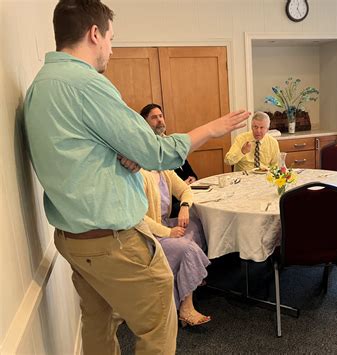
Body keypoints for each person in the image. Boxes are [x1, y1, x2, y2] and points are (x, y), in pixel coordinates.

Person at [23, 1, 249, 354]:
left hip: (73, 238)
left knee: (98, 323)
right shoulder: (86, 85)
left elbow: (75, 153)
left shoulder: (42, 84)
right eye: (111, 38)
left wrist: (118, 154)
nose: (111, 49)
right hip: (111, 241)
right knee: (157, 327)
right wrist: (213, 127)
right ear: (94, 34)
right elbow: (158, 153)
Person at [140, 168, 211, 327]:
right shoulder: (139, 174)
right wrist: (168, 232)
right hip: (148, 234)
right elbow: (139, 217)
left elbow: (185, 190)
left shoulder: (165, 171)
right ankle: (186, 307)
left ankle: (188, 278)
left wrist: (184, 206)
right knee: (187, 248)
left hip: (165, 225)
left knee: (197, 226)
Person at [140, 103, 198, 217]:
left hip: (185, 193)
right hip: (168, 204)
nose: (160, 120)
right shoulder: (145, 152)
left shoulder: (172, 144)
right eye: (154, 117)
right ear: (144, 123)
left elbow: (190, 171)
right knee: (197, 207)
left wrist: (193, 179)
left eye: (160, 116)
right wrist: (180, 187)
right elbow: (157, 190)